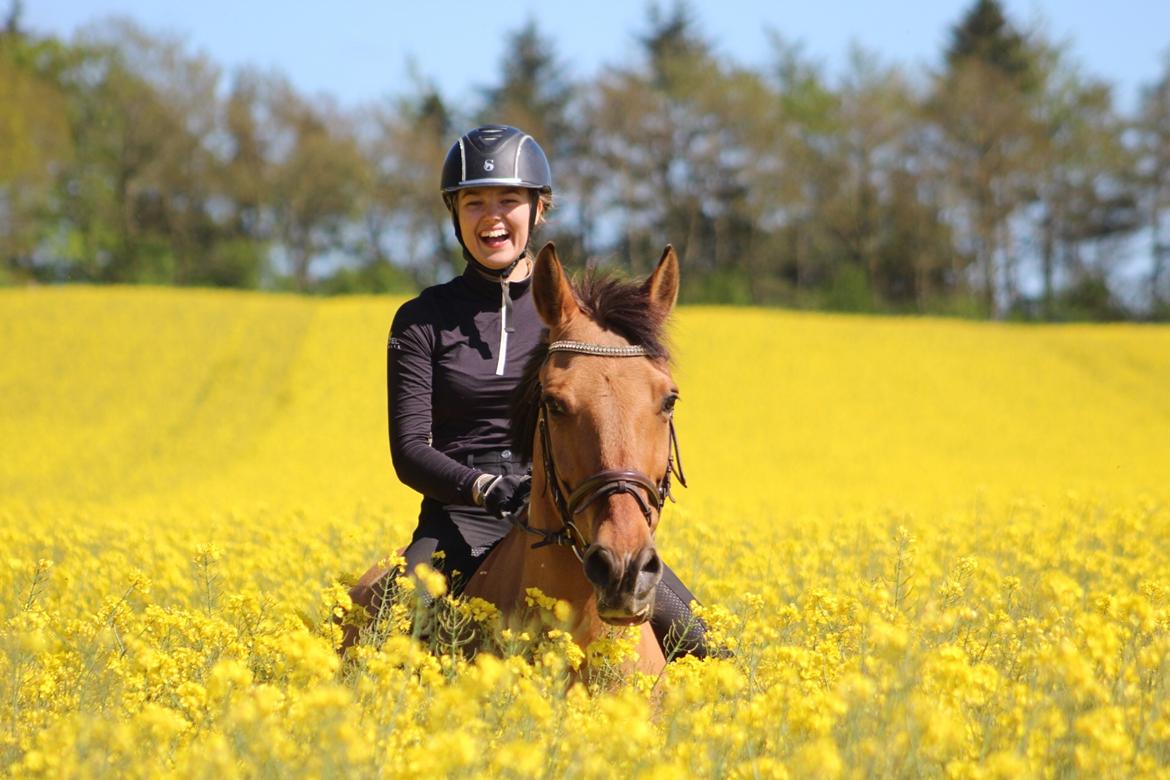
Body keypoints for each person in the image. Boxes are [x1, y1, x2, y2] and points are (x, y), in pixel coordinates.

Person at [373, 124, 711, 658]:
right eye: (473, 202)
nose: (491, 216)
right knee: (386, 634)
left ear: (539, 209)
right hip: (459, 519)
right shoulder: (422, 320)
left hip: (569, 511)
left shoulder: (586, 322)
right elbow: (411, 450)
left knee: (705, 641)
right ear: (453, 212)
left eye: (508, 200)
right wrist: (485, 487)